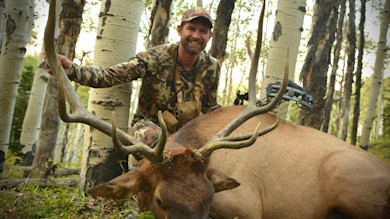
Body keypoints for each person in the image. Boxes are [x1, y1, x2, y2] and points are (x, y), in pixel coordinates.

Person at [45, 8, 222, 148]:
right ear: (179, 30)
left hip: (189, 131)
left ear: (210, 36)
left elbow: (210, 107)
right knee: (155, 139)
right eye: (191, 29)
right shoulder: (154, 58)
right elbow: (110, 76)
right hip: (151, 129)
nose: (196, 36)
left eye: (203, 31)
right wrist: (72, 70)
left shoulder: (213, 67)